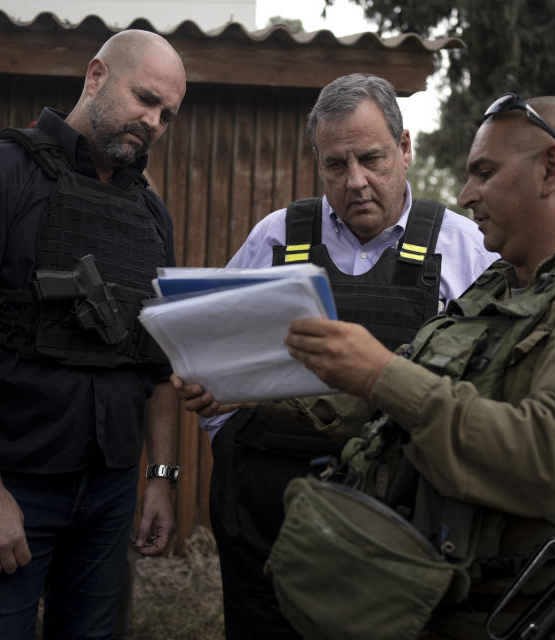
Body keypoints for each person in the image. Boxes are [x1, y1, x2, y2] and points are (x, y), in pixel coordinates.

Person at [178, 94, 555, 639]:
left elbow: (551, 458)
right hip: (444, 595)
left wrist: (382, 372)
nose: (464, 193)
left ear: (550, 169)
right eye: (336, 163)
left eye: (484, 172)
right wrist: (262, 392)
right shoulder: (512, 286)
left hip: (528, 613)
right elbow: (403, 402)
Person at [199, 73, 497, 639]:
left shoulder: (465, 248)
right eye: (336, 165)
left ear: (405, 149)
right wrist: (229, 436)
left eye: (372, 158)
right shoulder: (277, 237)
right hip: (266, 509)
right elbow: (209, 349)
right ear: (318, 163)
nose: (356, 181)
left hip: (394, 518)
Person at [0, 30, 186, 639]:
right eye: (144, 98)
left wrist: (160, 481)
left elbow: (158, 359)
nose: (154, 121)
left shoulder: (150, 213)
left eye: (167, 114)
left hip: (110, 489)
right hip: (15, 482)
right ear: (95, 76)